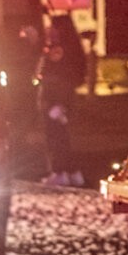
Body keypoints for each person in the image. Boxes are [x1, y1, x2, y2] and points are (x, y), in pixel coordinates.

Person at [38, 13, 86, 188]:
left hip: (55, 101)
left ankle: (59, 172)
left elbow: (57, 77)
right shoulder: (72, 48)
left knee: (55, 137)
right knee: (64, 137)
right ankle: (72, 172)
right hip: (64, 100)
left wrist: (57, 103)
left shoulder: (58, 50)